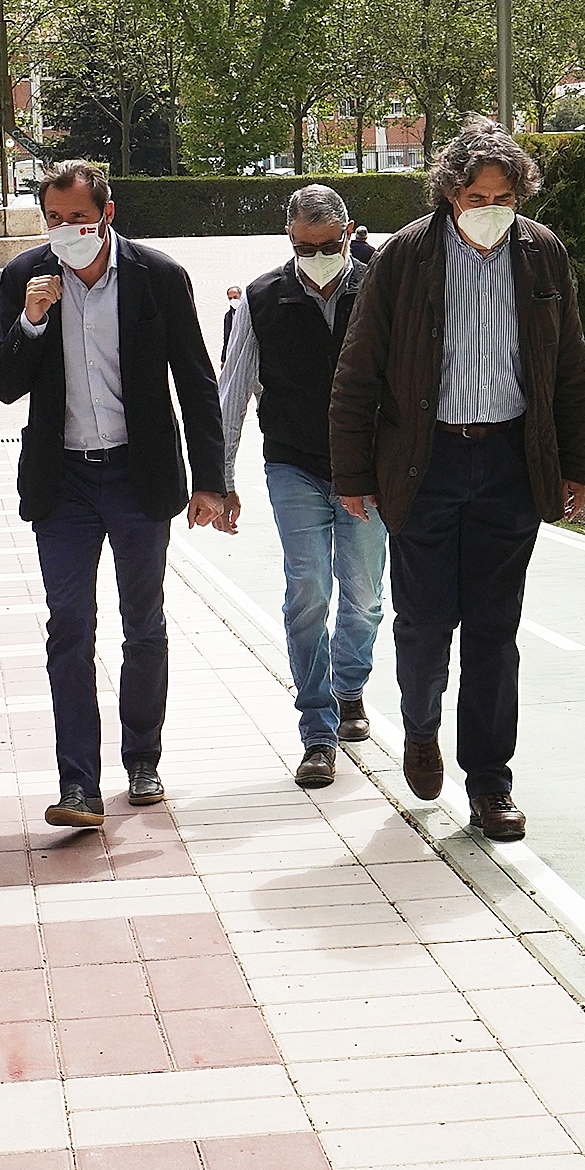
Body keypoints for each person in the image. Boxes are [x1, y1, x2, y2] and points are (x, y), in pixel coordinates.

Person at [329, 123, 585, 842]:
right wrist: (353, 473)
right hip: (427, 464)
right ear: (449, 193)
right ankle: (420, 729)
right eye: (477, 196)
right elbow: (358, 370)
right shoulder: (405, 256)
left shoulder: (542, 254)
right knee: (422, 624)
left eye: (504, 198)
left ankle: (490, 783)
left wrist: (576, 464)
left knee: (494, 630)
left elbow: (570, 366)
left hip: (510, 463)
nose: (490, 209)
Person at [0, 160, 226, 829]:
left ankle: (143, 759)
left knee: (143, 622)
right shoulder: (25, 276)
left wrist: (211, 480)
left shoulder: (157, 275)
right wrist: (31, 322)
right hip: (61, 480)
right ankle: (78, 783)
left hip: (136, 474)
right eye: (54, 219)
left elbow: (196, 380)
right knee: (69, 626)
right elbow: (2, 384)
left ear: (107, 214)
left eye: (79, 218)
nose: (67, 229)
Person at [217, 184, 386, 788]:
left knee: (364, 594)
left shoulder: (380, 287)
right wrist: (220, 477)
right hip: (293, 464)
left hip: (367, 470)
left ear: (349, 233)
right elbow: (233, 389)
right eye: (304, 248)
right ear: (289, 239)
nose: (317, 257)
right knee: (307, 592)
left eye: (328, 245)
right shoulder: (262, 298)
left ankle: (349, 686)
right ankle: (317, 728)